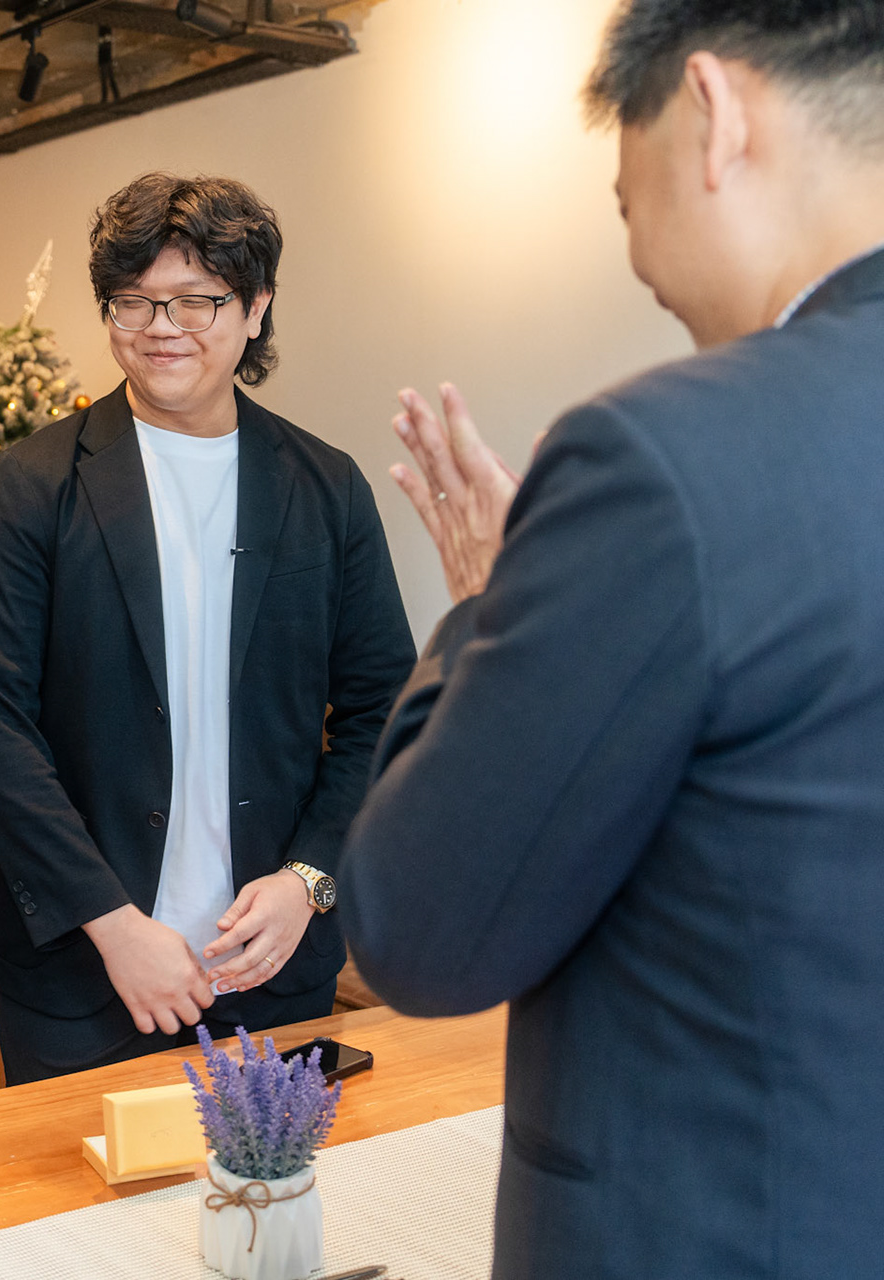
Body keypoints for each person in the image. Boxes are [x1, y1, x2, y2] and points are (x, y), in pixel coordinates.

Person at [336, 3, 884, 1275]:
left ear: (715, 111)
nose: (637, 245)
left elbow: (417, 927)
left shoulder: (664, 458)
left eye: (626, 195)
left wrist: (487, 603)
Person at [0, 173, 417, 1085]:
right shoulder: (35, 484)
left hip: (270, 968)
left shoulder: (325, 487)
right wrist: (112, 923)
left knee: (267, 1180)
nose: (162, 327)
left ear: (256, 306)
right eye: (134, 301)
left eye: (197, 300)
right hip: (86, 977)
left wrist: (310, 880)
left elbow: (385, 710)